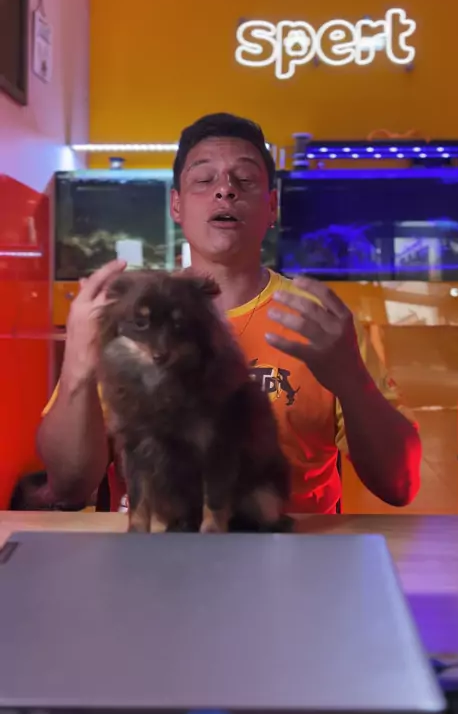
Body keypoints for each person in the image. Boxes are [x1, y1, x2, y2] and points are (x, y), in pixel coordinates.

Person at [37, 113, 421, 514]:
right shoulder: (132, 317)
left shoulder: (319, 323)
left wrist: (351, 379)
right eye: (204, 180)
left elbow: (400, 484)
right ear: (176, 205)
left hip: (295, 547)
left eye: (245, 179)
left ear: (271, 206)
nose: (225, 190)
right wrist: (77, 370)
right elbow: (68, 487)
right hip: (160, 548)